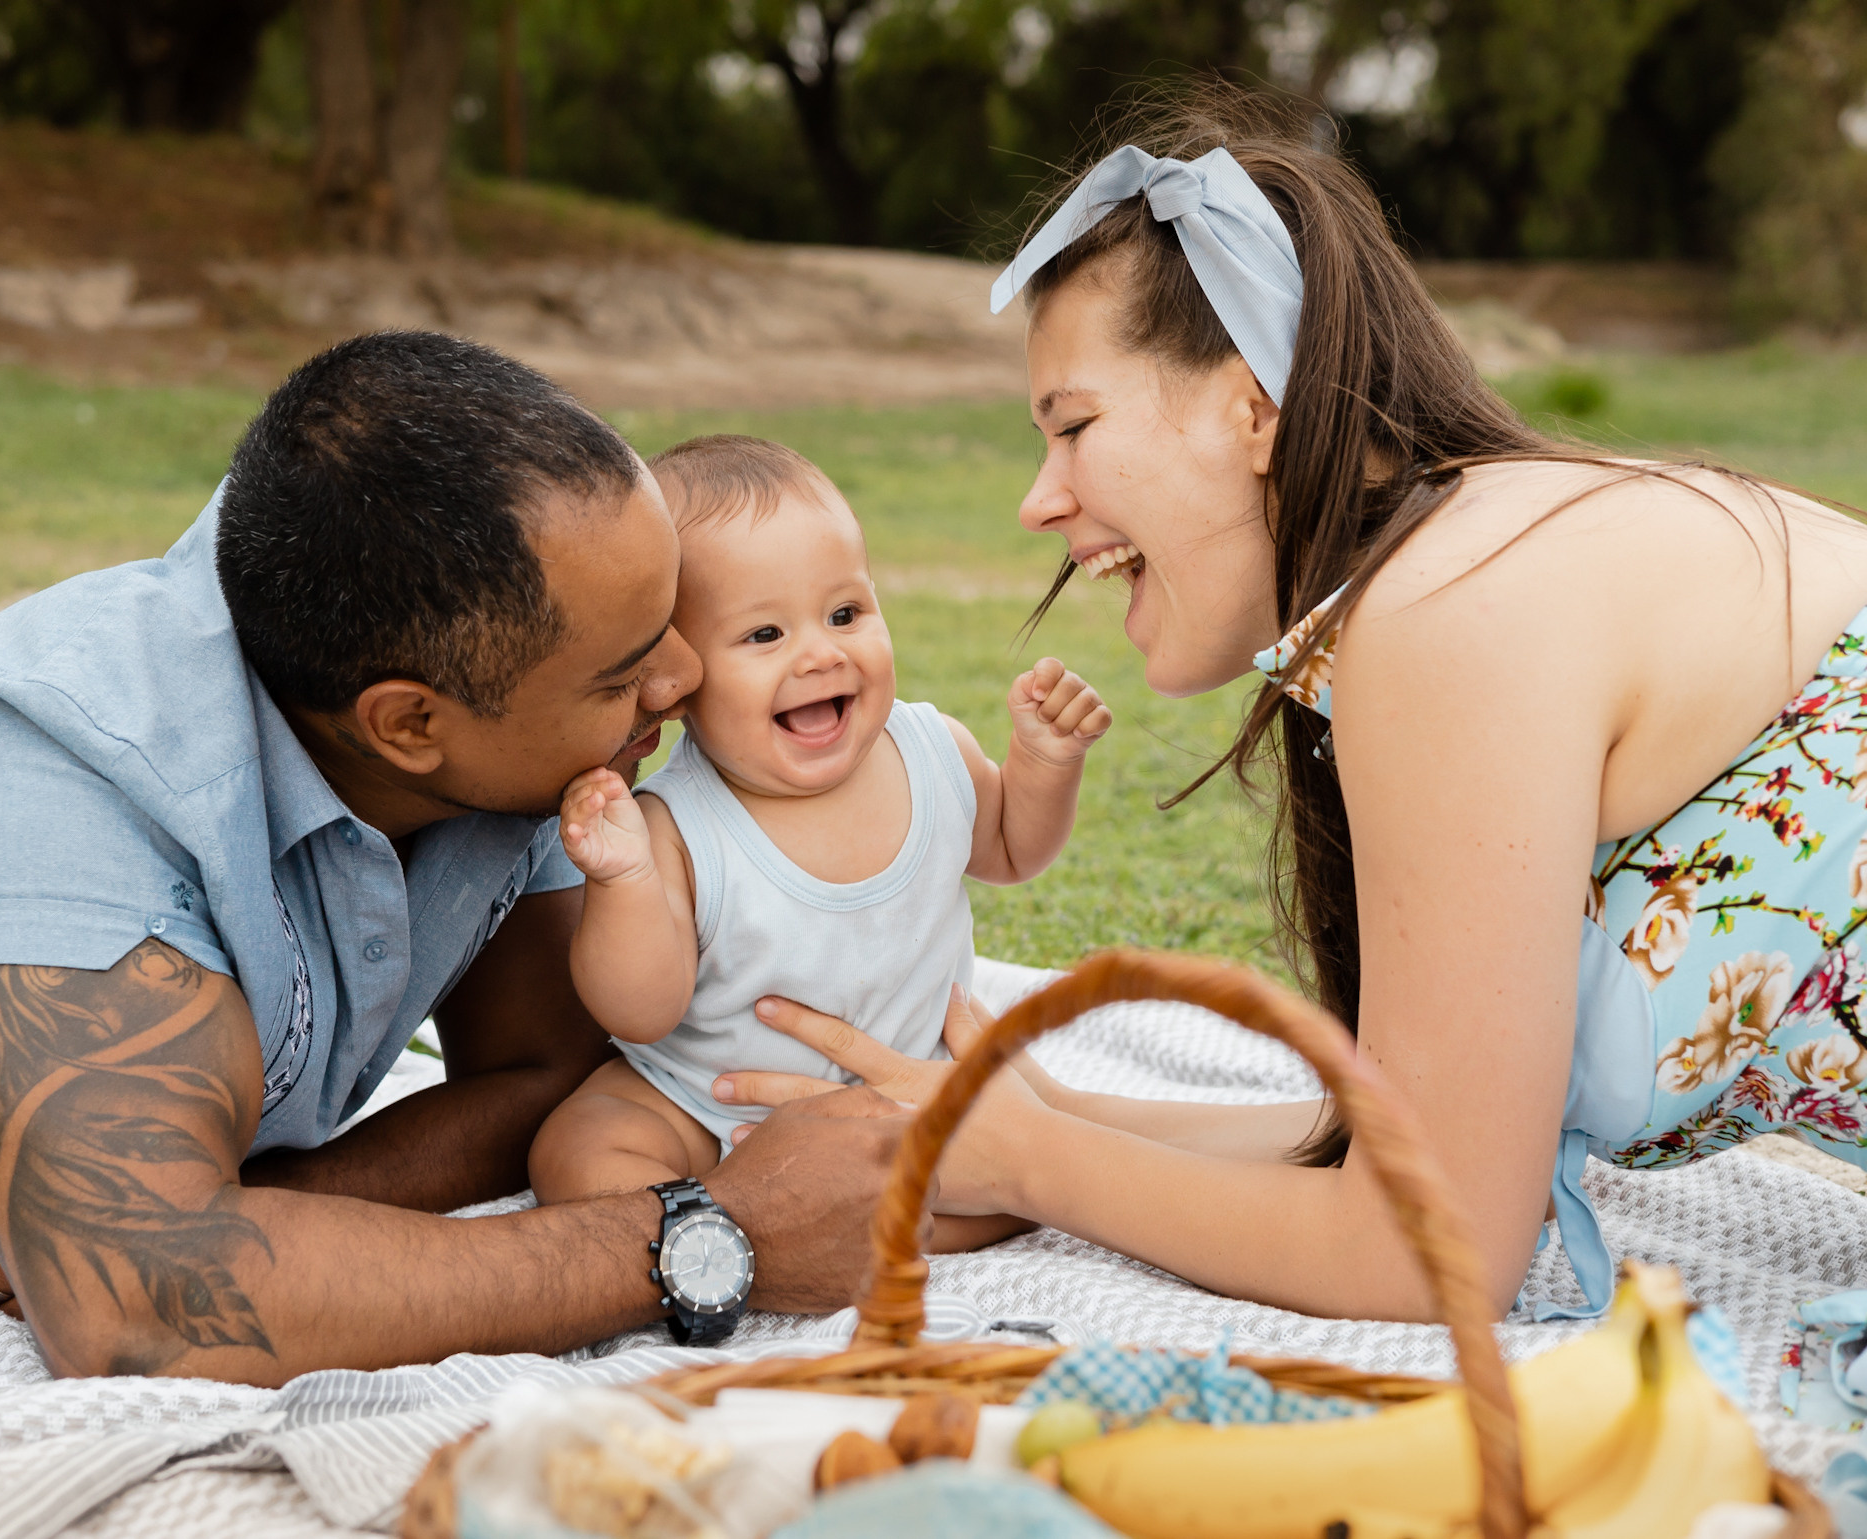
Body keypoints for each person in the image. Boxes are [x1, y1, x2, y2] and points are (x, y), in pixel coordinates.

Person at [704, 89, 1867, 1325]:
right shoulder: (1468, 559)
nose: (1039, 502)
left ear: (1252, 408)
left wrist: (1021, 1161)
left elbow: (1425, 1251)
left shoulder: (1451, 612)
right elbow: (1405, 1147)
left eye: (1074, 426)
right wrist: (1025, 1115)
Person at [0, 332, 910, 1384]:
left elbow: (561, 1069)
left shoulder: (460, 651)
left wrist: (248, 1200)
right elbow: (140, 1315)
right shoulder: (42, 787)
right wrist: (711, 1236)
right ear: (407, 726)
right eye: (621, 675)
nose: (680, 678)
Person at [525, 435, 1109, 1260]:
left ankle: (829, 1221)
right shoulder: (677, 823)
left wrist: (1044, 766)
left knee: (1012, 1168)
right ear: (681, 680)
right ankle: (730, 1216)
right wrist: (622, 879)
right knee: (579, 1148)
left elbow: (1012, 848)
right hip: (707, 1105)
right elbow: (639, 1009)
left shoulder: (931, 751)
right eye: (764, 634)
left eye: (846, 613)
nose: (821, 652)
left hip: (903, 1091)